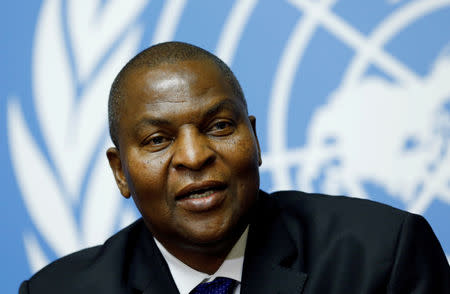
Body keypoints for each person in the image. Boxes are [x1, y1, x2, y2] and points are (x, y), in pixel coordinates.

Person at [19, 42, 450, 294]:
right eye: (158, 140)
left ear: (255, 139)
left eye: (220, 126)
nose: (193, 156)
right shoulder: (59, 291)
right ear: (120, 172)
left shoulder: (381, 256)